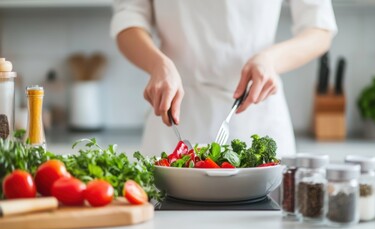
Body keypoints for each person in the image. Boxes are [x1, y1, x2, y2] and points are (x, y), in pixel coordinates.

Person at [111, 0, 337, 157]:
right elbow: (128, 17)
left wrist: (270, 60)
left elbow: (319, 28)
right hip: (174, 116)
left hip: (256, 113)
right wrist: (158, 64)